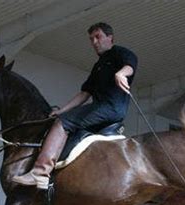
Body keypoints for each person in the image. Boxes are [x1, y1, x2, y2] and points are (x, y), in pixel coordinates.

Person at [13, 22, 138, 189]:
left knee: (62, 123)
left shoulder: (119, 53)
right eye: (91, 39)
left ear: (110, 38)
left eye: (98, 37)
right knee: (63, 119)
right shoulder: (98, 66)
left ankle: (40, 173)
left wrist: (121, 74)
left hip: (110, 108)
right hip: (99, 108)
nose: (94, 42)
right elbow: (84, 94)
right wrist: (62, 111)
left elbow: (131, 64)